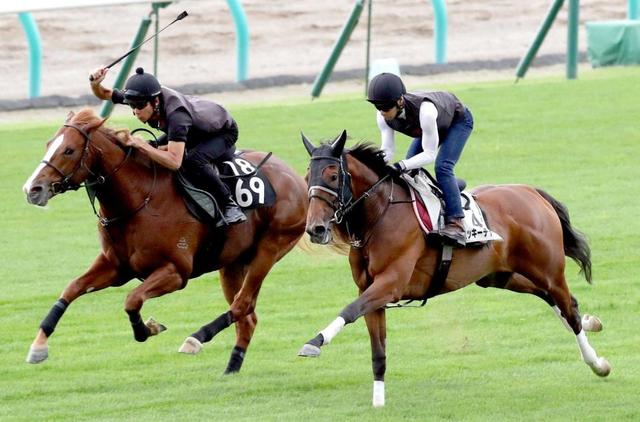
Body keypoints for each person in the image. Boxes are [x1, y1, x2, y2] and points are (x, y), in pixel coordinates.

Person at [89, 66, 246, 227]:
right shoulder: (142, 95)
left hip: (221, 132)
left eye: (140, 106)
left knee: (192, 162)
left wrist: (142, 145)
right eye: (132, 106)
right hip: (191, 128)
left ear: (155, 101)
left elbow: (174, 162)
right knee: (151, 147)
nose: (136, 111)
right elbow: (106, 94)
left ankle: (229, 205)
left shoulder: (177, 116)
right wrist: (95, 83)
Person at [367, 72, 474, 247]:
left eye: (385, 108)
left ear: (400, 101)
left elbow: (429, 153)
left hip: (457, 121)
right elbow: (388, 149)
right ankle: (452, 187)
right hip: (428, 127)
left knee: (443, 167)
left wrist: (400, 165)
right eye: (378, 108)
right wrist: (375, 165)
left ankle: (456, 221)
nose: (382, 112)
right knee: (410, 171)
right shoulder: (382, 116)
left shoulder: (426, 112)